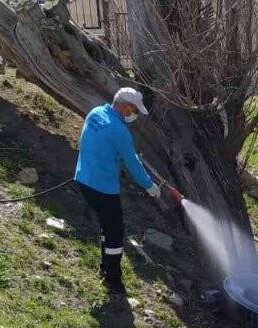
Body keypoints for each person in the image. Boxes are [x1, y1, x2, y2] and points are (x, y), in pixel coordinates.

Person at [73, 87, 182, 295]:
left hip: (83, 178)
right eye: (134, 110)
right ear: (124, 106)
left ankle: (105, 267)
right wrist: (149, 186)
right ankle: (112, 279)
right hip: (103, 187)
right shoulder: (120, 131)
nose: (135, 116)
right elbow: (132, 163)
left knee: (107, 225)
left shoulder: (95, 113)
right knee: (115, 232)